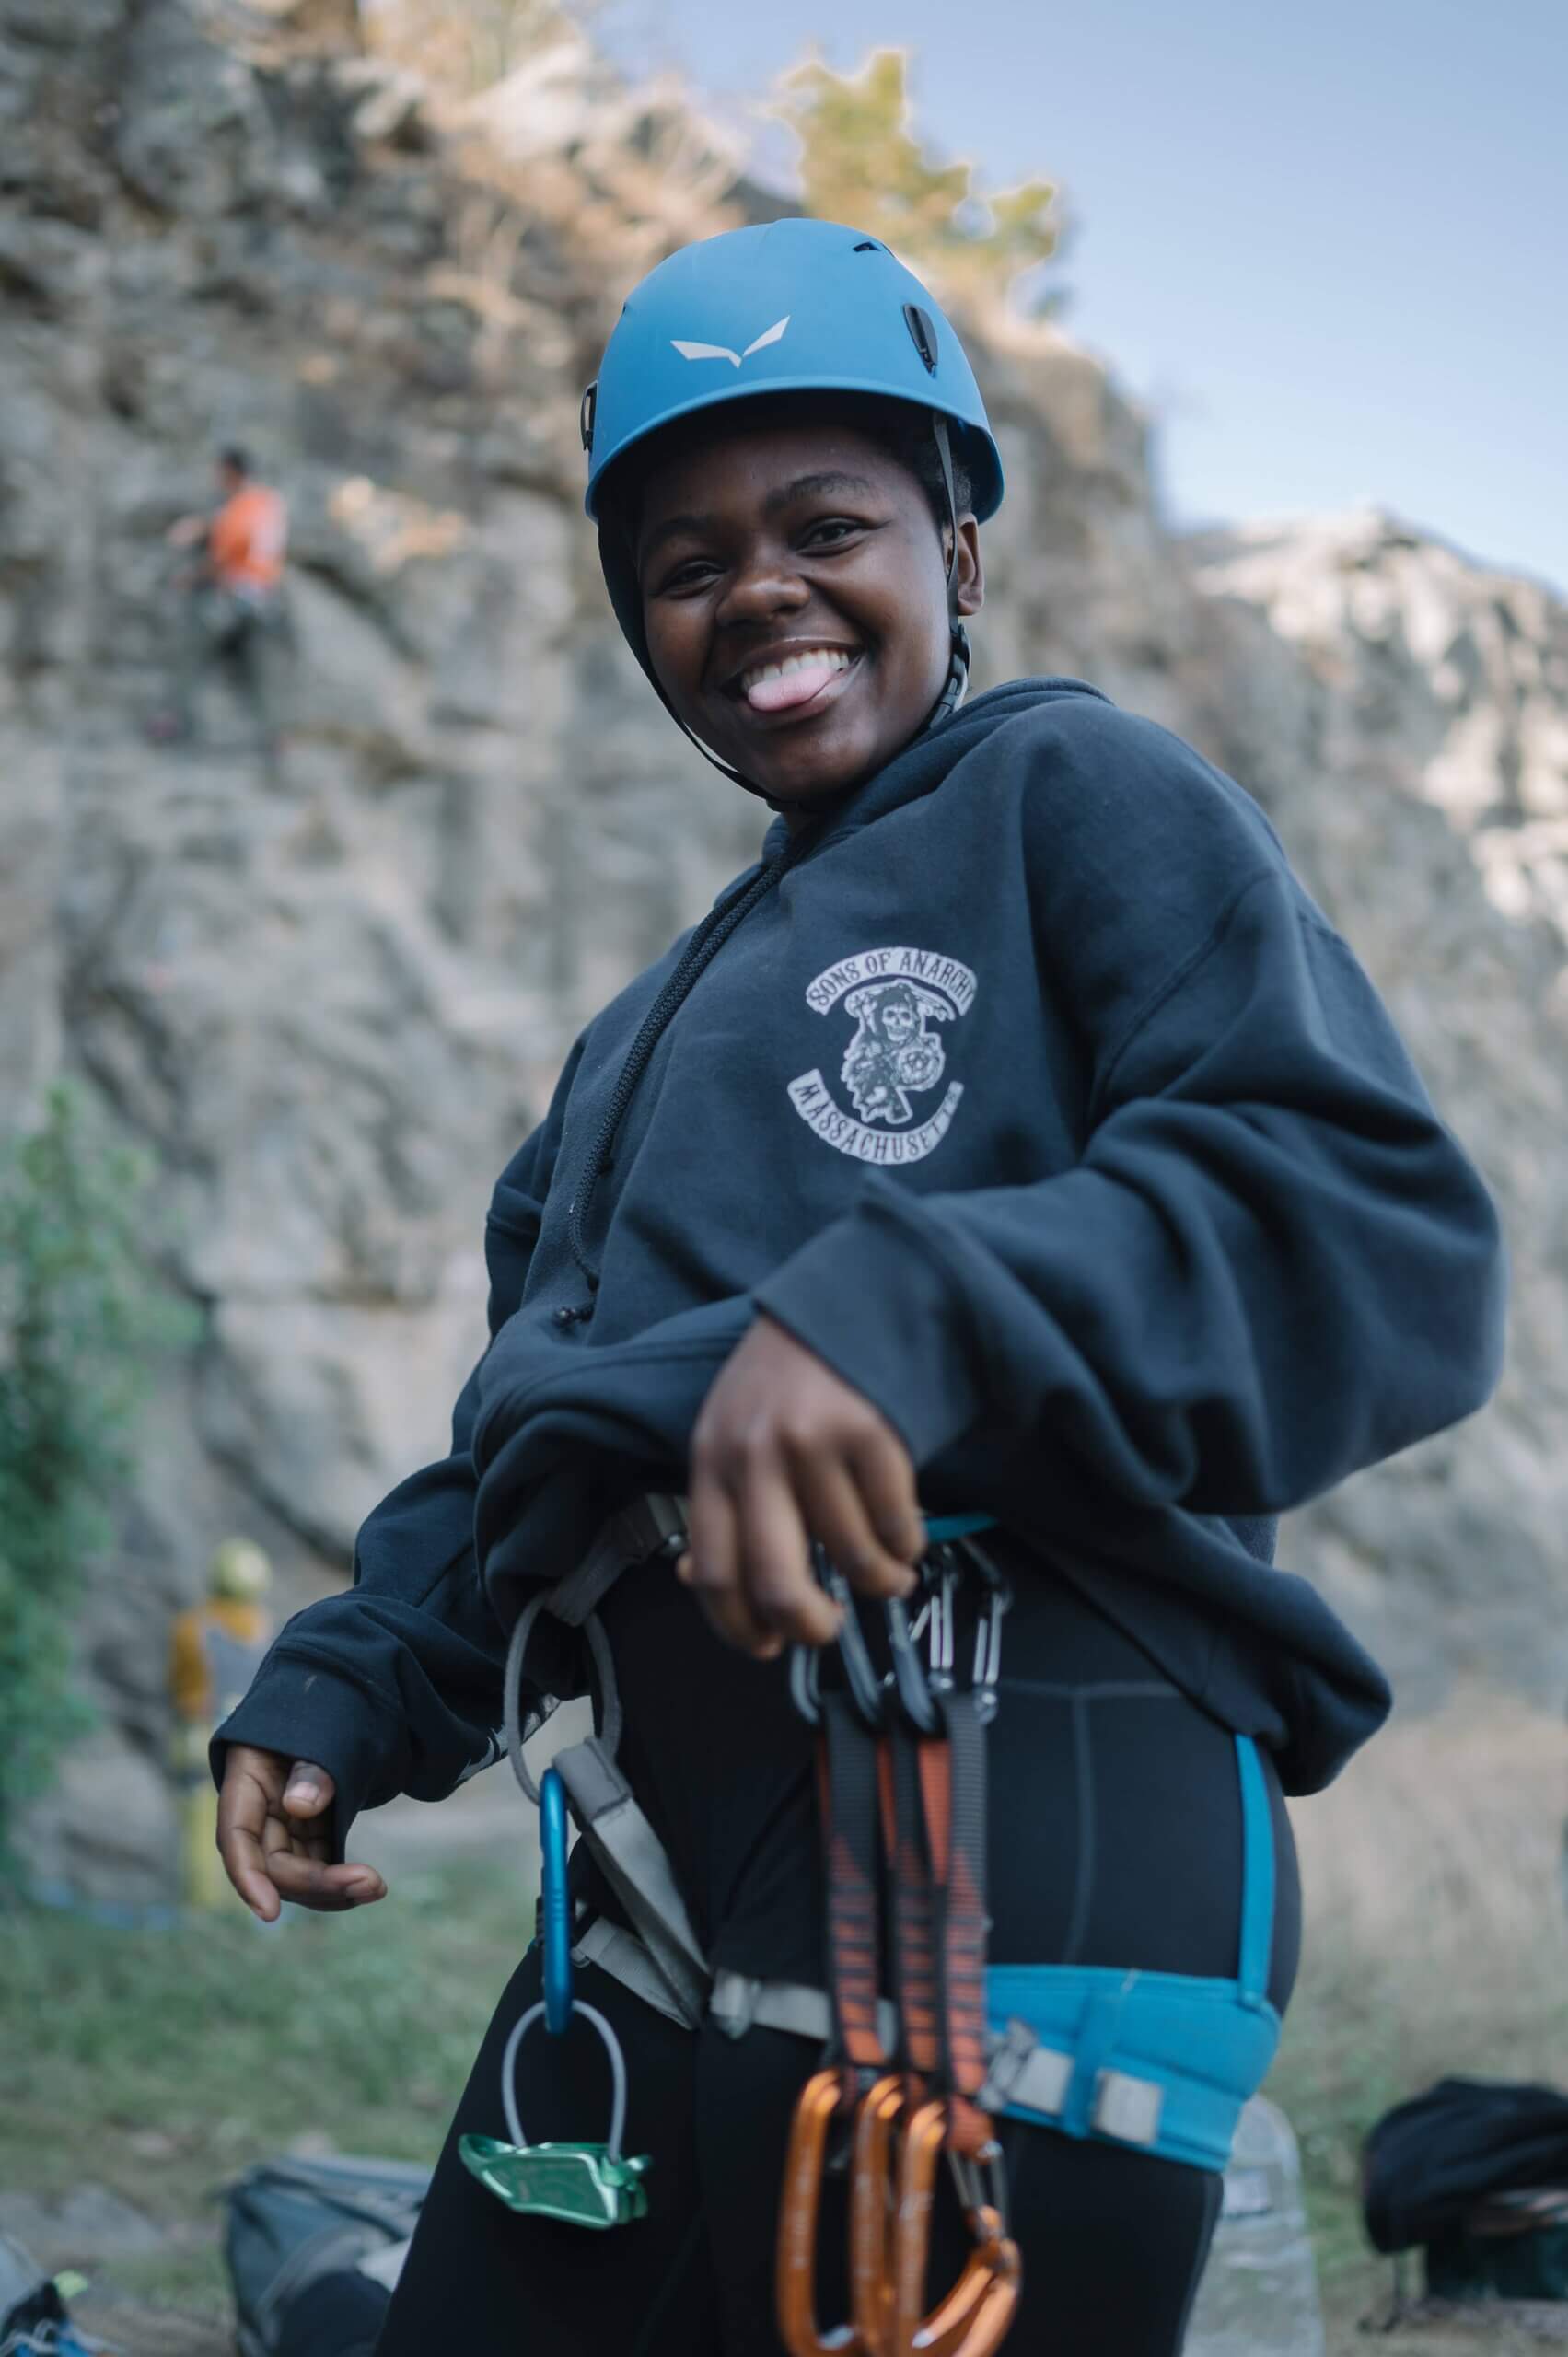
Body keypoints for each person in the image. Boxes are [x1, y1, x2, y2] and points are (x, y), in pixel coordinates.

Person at [210, 220, 1505, 2355]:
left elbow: (1364, 1223)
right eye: (689, 562)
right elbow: (537, 1428)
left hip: (1026, 1822)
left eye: (830, 524)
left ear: (960, 555)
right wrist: (361, 1672)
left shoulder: (1078, 800)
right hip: (650, 1875)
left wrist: (910, 1310)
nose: (761, 591)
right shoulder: (629, 1037)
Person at [146, 447, 288, 769]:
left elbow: (230, 551)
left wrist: (192, 577)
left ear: (231, 472)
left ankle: (176, 720)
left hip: (236, 595)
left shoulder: (241, 507)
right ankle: (273, 737)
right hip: (264, 596)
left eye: (220, 473)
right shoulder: (268, 503)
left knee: (191, 646)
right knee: (251, 669)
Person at [168, 1538, 273, 1910]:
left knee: (201, 1833)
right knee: (250, 1827)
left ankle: (205, 1915)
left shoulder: (191, 1628)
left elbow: (181, 1688)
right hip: (253, 1744)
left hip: (201, 1737)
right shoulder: (269, 1632)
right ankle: (248, 1909)